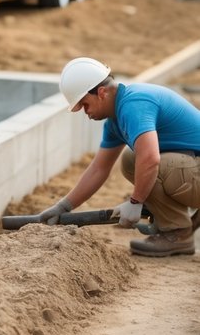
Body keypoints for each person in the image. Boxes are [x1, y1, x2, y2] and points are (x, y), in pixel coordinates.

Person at [38, 56, 200, 257]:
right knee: (130, 160)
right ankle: (177, 228)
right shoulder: (116, 121)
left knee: (149, 162)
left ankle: (177, 234)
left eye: (85, 104)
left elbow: (151, 159)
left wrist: (135, 202)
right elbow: (99, 169)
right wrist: (63, 206)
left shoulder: (134, 105)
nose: (86, 113)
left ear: (102, 92)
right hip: (194, 167)